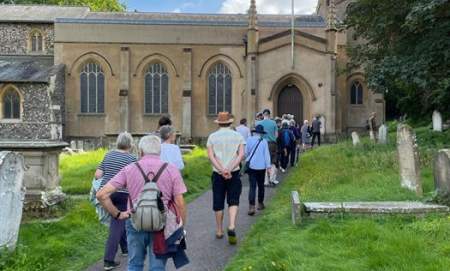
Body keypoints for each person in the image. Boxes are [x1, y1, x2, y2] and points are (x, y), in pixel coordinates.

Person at [97, 135, 188, 271]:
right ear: (159, 151)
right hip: (161, 224)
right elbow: (180, 202)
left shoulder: (129, 169)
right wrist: (180, 227)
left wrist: (117, 215)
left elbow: (101, 194)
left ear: (140, 151)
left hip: (134, 221)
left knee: (134, 264)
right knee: (157, 266)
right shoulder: (171, 170)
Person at [95, 132, 137, 270]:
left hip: (106, 192)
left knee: (119, 220)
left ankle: (125, 249)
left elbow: (98, 175)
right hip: (122, 193)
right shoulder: (133, 158)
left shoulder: (108, 155)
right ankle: (108, 260)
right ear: (130, 144)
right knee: (117, 222)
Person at [206, 112, 245, 245]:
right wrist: (230, 168)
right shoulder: (238, 136)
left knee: (218, 200)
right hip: (233, 173)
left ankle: (219, 230)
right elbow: (240, 155)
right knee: (233, 200)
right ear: (230, 122)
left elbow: (211, 156)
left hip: (218, 174)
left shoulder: (212, 137)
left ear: (219, 122)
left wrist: (222, 169)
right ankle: (232, 225)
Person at [245, 125, 271, 216]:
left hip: (252, 166)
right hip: (261, 166)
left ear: (255, 132)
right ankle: (260, 204)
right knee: (261, 186)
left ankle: (251, 206)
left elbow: (246, 152)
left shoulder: (249, 139)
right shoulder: (264, 141)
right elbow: (266, 155)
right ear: (261, 133)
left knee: (252, 187)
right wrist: (268, 167)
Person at [256, 109, 279, 186]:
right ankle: (272, 179)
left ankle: (265, 181)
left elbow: (257, 135)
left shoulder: (259, 123)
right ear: (269, 114)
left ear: (263, 115)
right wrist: (273, 139)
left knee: (264, 162)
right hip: (272, 144)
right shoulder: (273, 123)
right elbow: (276, 135)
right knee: (272, 161)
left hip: (262, 143)